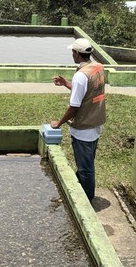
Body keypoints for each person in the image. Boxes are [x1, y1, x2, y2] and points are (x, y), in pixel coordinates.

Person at [50, 38, 106, 201]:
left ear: (76, 54)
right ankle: (78, 192)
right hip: (95, 124)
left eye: (72, 52)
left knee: (85, 168)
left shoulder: (81, 75)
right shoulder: (97, 68)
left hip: (83, 130)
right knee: (85, 165)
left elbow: (74, 106)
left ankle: (87, 200)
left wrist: (58, 123)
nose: (72, 54)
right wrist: (66, 83)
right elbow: (87, 93)